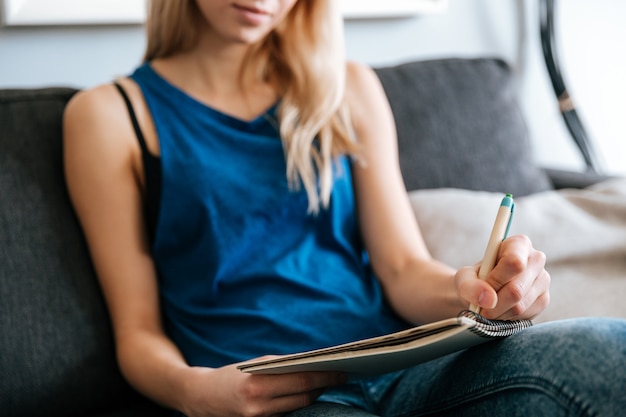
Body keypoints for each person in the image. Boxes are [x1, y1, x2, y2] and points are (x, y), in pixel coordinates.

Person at [63, 1, 626, 416]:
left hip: (403, 367)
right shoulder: (109, 118)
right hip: (273, 397)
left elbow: (402, 269)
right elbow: (136, 333)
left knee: (609, 350)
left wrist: (474, 290)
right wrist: (195, 393)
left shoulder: (348, 88)